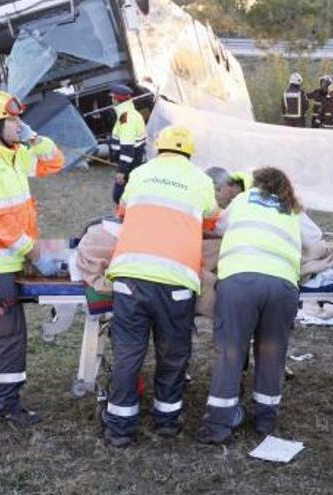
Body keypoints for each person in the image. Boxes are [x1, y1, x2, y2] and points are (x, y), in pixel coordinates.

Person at [102, 125, 219, 447]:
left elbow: (123, 212)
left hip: (131, 276)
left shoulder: (140, 174)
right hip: (175, 281)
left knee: (128, 352)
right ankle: (166, 421)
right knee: (173, 352)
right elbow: (210, 221)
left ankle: (120, 428)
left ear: (158, 148)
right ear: (189, 153)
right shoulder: (201, 180)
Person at [0, 90, 66, 427]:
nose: (20, 125)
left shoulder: (11, 153)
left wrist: (33, 136)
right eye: (14, 120)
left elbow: (54, 162)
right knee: (10, 333)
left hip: (10, 256)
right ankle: (7, 404)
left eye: (20, 119)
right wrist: (33, 251)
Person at [196, 167, 304, 444]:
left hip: (240, 282)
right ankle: (265, 420)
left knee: (230, 352)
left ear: (255, 184)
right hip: (283, 285)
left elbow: (217, 228)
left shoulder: (242, 201)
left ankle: (218, 426)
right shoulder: (293, 208)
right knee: (272, 354)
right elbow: (313, 240)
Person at [108, 83, 147, 205]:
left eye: (112, 97)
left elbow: (127, 148)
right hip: (134, 163)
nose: (111, 99)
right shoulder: (130, 113)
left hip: (130, 166)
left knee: (119, 197)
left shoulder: (126, 118)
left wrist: (122, 171)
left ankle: (125, 220)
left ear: (116, 99)